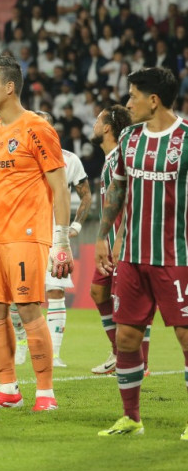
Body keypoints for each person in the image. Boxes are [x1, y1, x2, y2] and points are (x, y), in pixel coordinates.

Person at [0, 56, 73, 412]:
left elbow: (60, 188)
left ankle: (45, 394)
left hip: (26, 232)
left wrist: (61, 241)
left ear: (9, 86)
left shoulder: (37, 128)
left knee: (29, 308)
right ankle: (8, 390)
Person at [95, 67, 188, 438]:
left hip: (176, 258)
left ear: (154, 99)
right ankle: (131, 418)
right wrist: (104, 236)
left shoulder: (185, 139)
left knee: (185, 339)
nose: (127, 102)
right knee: (127, 339)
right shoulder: (130, 137)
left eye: (133, 95)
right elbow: (117, 190)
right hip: (132, 258)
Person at [11, 111, 92, 368]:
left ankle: (54, 354)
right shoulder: (19, 157)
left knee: (55, 292)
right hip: (23, 235)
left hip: (55, 236)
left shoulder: (69, 159)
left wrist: (75, 226)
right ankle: (21, 341)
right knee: (18, 295)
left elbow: (86, 194)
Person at [87, 104, 136, 376]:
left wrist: (120, 238)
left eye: (97, 121)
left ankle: (133, 359)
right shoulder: (109, 159)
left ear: (107, 127)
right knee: (98, 291)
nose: (94, 126)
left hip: (125, 244)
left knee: (129, 306)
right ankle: (118, 352)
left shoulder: (121, 158)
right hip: (110, 242)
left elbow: (131, 201)